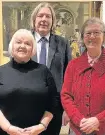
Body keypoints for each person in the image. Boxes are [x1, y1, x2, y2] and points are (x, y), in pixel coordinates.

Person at [61, 17, 105, 135]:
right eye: (88, 33)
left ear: (104, 36)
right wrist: (79, 120)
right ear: (83, 37)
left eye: (97, 33)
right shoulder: (73, 65)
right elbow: (66, 96)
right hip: (78, 129)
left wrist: (98, 120)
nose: (92, 36)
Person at [0, 29, 57, 135]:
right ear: (12, 46)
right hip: (4, 132)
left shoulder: (43, 71)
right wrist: (8, 128)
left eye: (27, 43)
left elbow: (53, 102)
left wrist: (42, 126)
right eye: (18, 42)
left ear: (33, 49)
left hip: (38, 133)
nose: (22, 46)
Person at [30, 3, 72, 134]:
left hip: (55, 106)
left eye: (48, 16)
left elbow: (69, 76)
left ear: (53, 21)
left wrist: (68, 108)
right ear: (34, 19)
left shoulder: (62, 43)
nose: (44, 19)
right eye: (40, 16)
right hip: (28, 103)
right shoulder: (24, 40)